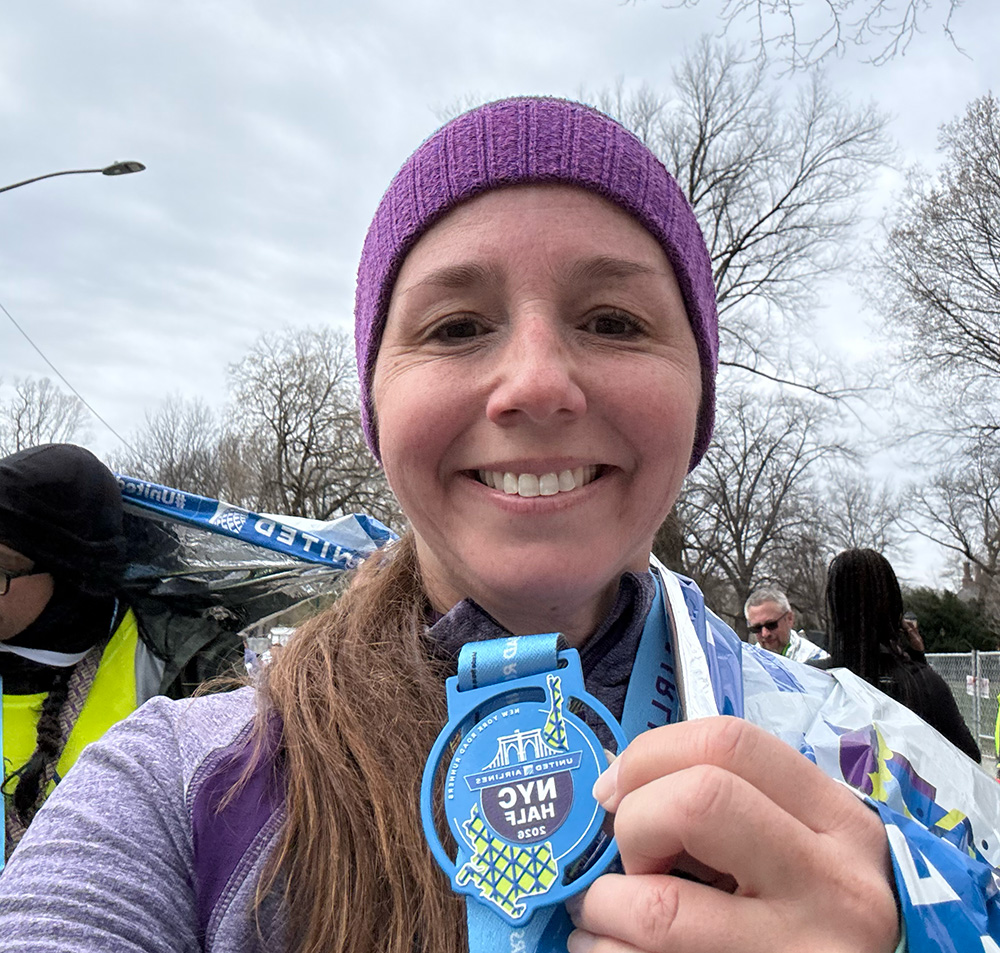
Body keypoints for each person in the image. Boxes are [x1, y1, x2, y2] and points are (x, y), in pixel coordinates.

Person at [0, 97, 997, 953]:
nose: (533, 383)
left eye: (613, 320)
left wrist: (915, 929)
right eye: (455, 326)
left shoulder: (880, 771)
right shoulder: (173, 789)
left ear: (697, 398)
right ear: (376, 404)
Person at [827, 548, 982, 762]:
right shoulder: (923, 685)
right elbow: (969, 757)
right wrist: (918, 666)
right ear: (893, 606)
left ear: (835, 608)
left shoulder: (817, 681)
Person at [744, 586, 829, 662]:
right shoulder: (749, 665)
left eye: (771, 625)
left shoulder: (816, 659)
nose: (765, 634)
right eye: (757, 628)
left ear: (789, 618)